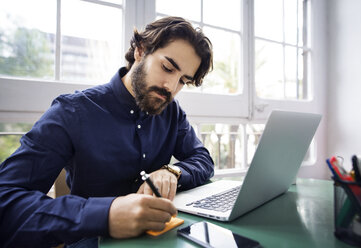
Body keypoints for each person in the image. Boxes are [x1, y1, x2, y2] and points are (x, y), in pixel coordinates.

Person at [0, 16, 214, 247]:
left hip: (163, 237)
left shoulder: (171, 111)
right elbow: (6, 201)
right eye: (167, 68)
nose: (171, 87)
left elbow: (203, 159)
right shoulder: (71, 112)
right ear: (140, 51)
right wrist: (106, 215)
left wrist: (172, 171)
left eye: (183, 80)